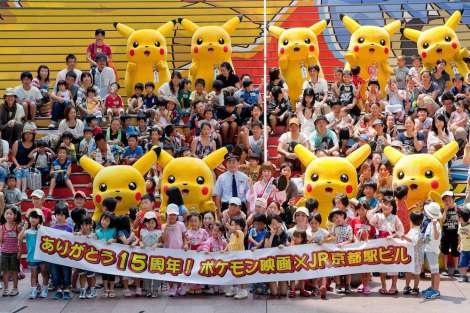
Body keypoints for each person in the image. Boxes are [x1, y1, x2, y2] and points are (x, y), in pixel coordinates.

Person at [367, 196, 404, 295]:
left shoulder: (395, 217)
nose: (386, 206)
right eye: (384, 203)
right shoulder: (378, 216)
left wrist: (394, 235)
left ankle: (394, 286)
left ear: (393, 207)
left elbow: (401, 230)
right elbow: (369, 217)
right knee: (382, 266)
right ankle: (383, 286)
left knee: (394, 266)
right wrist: (376, 208)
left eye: (389, 204)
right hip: (381, 242)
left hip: (392, 243)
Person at [18, 209, 49, 299]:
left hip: (42, 257)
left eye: (36, 217)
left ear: (40, 219)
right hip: (32, 257)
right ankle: (33, 290)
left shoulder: (42, 230)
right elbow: (19, 238)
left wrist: (41, 229)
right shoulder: (27, 231)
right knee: (33, 274)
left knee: (44, 273)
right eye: (31, 217)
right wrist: (24, 228)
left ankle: (45, 289)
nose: (33, 219)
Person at [161, 203, 188, 296]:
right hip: (168, 251)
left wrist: (185, 244)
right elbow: (163, 239)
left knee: (180, 269)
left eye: (174, 214)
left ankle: (180, 286)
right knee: (170, 270)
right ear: (167, 215)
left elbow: (185, 236)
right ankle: (172, 287)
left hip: (179, 251)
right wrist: (167, 227)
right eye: (170, 214)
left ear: (177, 215)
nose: (172, 216)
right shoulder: (164, 226)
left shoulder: (181, 224)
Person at [50, 202, 73, 300]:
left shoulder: (69, 228)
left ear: (66, 216)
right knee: (55, 274)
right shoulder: (51, 229)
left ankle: (67, 290)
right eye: (58, 214)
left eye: (62, 214)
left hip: (66, 257)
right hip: (55, 257)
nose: (60, 217)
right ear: (55, 215)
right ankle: (59, 290)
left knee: (66, 273)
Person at [138, 211, 162, 297]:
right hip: (145, 255)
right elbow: (140, 240)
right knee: (146, 272)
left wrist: (157, 244)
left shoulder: (159, 232)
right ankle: (148, 290)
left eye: (152, 222)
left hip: (156, 256)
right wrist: (140, 243)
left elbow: (161, 243)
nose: (150, 224)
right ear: (145, 223)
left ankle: (155, 290)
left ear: (156, 223)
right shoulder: (142, 231)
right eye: (148, 222)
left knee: (156, 272)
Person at [224, 216, 248, 299]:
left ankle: (244, 291)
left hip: (240, 257)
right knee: (233, 273)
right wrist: (224, 250)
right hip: (232, 257)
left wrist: (229, 227)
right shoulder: (231, 235)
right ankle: (234, 289)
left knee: (241, 274)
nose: (233, 226)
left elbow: (235, 232)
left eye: (236, 225)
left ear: (241, 226)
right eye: (232, 224)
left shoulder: (240, 233)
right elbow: (229, 244)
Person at [422, 202, 442, 299]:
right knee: (432, 271)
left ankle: (436, 290)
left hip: (433, 251)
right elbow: (428, 237)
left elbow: (437, 236)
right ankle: (432, 287)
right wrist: (423, 241)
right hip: (429, 250)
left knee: (435, 272)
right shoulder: (430, 223)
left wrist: (434, 225)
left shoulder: (436, 224)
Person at [0, 206, 22, 296]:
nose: (8, 216)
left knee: (14, 271)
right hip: (4, 252)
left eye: (10, 214)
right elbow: (1, 240)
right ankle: (6, 289)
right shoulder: (2, 227)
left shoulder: (17, 226)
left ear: (15, 215)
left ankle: (15, 288)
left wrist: (20, 251)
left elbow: (20, 239)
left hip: (14, 252)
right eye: (7, 213)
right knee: (5, 271)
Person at [402, 211, 425, 296]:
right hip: (412, 256)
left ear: (411, 220)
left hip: (416, 256)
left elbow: (413, 241)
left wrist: (404, 237)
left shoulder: (416, 231)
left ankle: (414, 287)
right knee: (412, 272)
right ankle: (409, 286)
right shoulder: (414, 230)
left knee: (415, 273)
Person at [11, 123, 36, 199]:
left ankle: (24, 192)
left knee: (25, 171)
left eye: (30, 134)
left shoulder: (34, 145)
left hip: (27, 166)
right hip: (17, 165)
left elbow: (33, 159)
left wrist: (27, 165)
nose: (28, 136)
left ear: (33, 135)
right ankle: (18, 192)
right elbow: (13, 157)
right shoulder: (17, 143)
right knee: (19, 172)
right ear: (23, 134)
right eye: (26, 134)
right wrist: (18, 165)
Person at [95, 211, 117, 298]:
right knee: (103, 273)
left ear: (110, 222)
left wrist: (113, 240)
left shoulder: (113, 230)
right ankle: (105, 289)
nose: (104, 222)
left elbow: (117, 239)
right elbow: (94, 238)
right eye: (103, 219)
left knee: (112, 272)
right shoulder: (97, 231)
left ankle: (111, 289)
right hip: (101, 256)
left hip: (112, 255)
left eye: (107, 221)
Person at [457, 206, 470, 282]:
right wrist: (459, 244)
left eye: (458, 216)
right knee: (463, 264)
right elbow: (459, 236)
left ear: (462, 217)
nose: (457, 218)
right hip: (463, 249)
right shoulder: (460, 225)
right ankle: (464, 276)